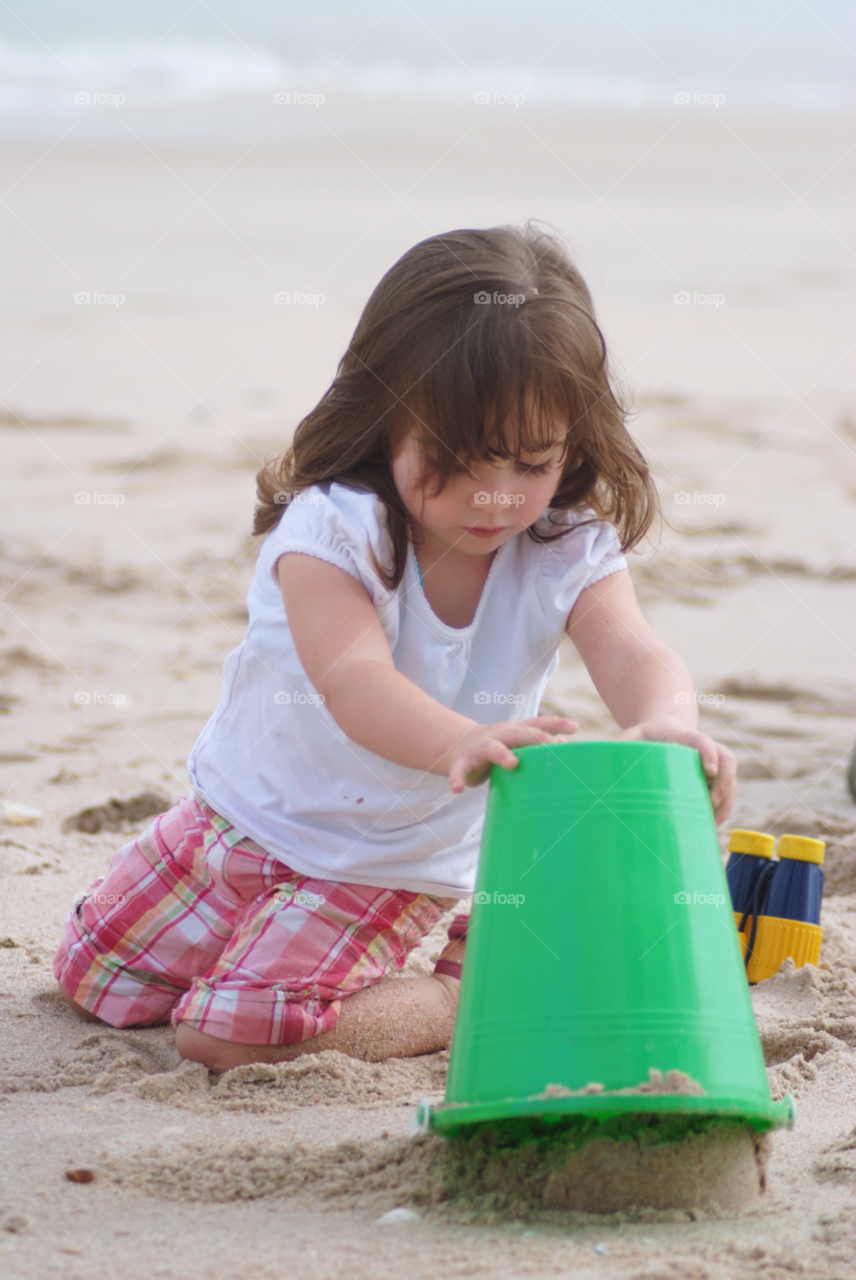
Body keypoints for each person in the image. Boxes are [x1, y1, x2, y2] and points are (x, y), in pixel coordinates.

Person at [54, 224, 737, 1070]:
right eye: (458, 458)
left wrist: (669, 723)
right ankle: (276, 964)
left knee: (224, 1038)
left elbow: (633, 653)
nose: (495, 496)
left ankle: (467, 991)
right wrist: (457, 738)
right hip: (240, 816)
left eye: (531, 464)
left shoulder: (563, 545)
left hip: (387, 858)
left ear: (572, 442)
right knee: (96, 980)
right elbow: (352, 679)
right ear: (386, 419)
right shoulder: (335, 532)